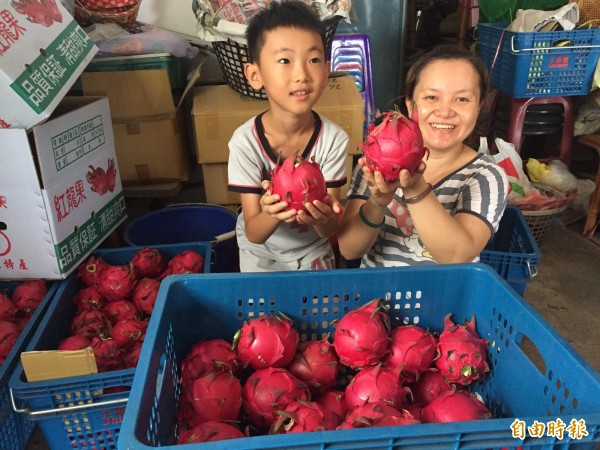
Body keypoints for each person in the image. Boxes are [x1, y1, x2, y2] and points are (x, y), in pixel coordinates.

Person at [337, 44, 508, 267]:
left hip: (444, 301)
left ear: (479, 107)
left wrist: (414, 187)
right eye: (431, 97)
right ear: (410, 105)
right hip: (374, 299)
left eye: (462, 99)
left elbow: (456, 256)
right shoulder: (374, 163)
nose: (445, 111)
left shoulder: (486, 177)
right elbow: (349, 250)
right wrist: (377, 203)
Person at [227, 1, 349, 272]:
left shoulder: (334, 139)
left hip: (311, 247)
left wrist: (323, 217)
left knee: (323, 311)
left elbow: (329, 229)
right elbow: (254, 232)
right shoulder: (244, 142)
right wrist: (271, 212)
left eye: (313, 60)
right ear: (255, 74)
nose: (301, 74)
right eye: (285, 60)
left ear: (327, 70)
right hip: (260, 249)